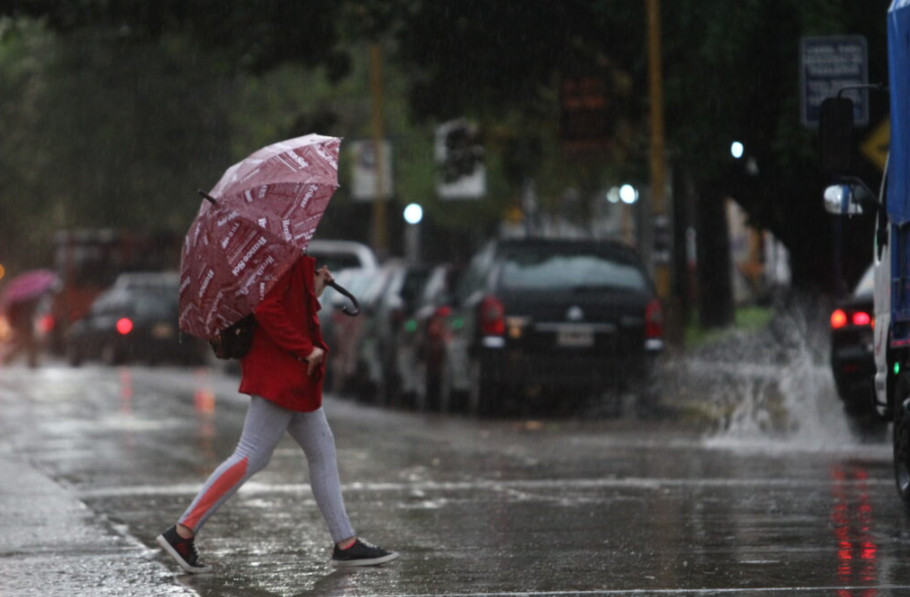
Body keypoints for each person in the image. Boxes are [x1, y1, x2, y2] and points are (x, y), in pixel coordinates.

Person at [156, 254, 398, 573]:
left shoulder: (281, 250)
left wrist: (314, 288)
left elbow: (289, 306)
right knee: (252, 454)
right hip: (282, 371)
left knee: (321, 449)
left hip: (291, 372)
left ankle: (346, 543)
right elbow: (268, 309)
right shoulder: (274, 253)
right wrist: (304, 348)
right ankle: (183, 532)